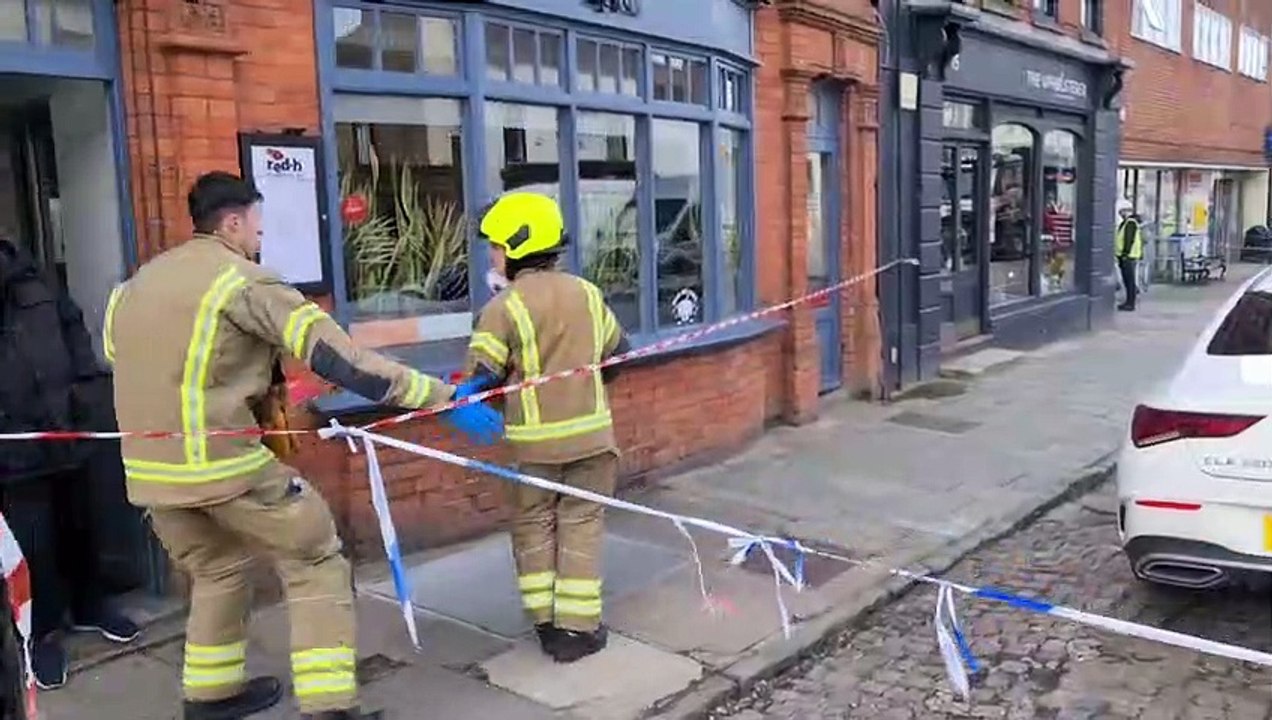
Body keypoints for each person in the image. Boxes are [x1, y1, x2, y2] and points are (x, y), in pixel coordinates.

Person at [105, 172, 503, 720]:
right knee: (314, 558)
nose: (260, 238)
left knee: (219, 569)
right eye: (258, 226)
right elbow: (341, 358)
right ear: (234, 221)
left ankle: (210, 696)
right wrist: (441, 397)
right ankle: (328, 707)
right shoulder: (242, 281)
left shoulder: (132, 289)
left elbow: (140, 363)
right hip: (225, 467)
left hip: (150, 475)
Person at [463, 191, 631, 664]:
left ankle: (547, 626)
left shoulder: (502, 309)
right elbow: (618, 356)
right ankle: (579, 630)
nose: (492, 256)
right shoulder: (588, 293)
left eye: (495, 246)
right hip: (593, 440)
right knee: (581, 524)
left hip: (532, 447)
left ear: (517, 246)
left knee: (533, 526)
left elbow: (481, 379)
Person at [0, 235, 140, 690]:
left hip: (66, 427)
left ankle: (90, 606)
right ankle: (41, 636)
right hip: (13, 447)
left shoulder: (30, 273)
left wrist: (83, 387)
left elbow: (72, 324)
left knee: (82, 525)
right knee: (34, 544)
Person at [1116, 197, 1143, 311]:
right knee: (1128, 281)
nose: (1121, 214)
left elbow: (1128, 239)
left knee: (1129, 281)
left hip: (1128, 257)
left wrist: (1125, 254)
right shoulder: (1127, 223)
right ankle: (1128, 302)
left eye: (1121, 212)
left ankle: (1130, 303)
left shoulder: (1130, 223)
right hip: (1126, 256)